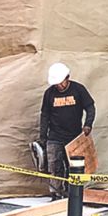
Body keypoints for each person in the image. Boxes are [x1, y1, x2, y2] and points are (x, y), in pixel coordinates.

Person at [39, 62, 95, 200]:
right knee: (54, 166)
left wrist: (88, 124)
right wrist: (43, 135)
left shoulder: (78, 90)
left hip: (74, 137)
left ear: (67, 77)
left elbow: (90, 107)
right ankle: (56, 194)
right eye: (56, 83)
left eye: (61, 82)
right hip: (55, 136)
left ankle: (73, 194)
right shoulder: (49, 94)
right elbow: (45, 115)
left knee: (73, 167)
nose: (58, 86)